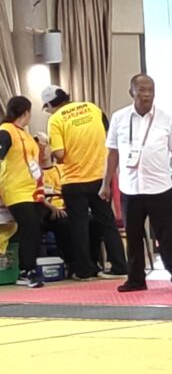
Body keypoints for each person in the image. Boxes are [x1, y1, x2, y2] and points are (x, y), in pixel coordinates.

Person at [103, 75, 172, 293]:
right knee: (133, 237)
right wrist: (106, 183)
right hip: (130, 187)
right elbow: (113, 153)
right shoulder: (119, 118)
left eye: (150, 90)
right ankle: (135, 280)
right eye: (141, 90)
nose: (146, 94)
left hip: (159, 187)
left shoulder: (166, 119)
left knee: (169, 236)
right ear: (131, 92)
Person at [43, 85, 127, 278]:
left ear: (50, 104)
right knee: (107, 223)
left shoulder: (55, 119)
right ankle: (120, 266)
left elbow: (60, 154)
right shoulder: (93, 108)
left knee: (78, 226)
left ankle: (84, 270)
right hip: (100, 177)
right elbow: (109, 136)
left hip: (74, 181)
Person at [1, 98, 67, 287]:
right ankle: (25, 271)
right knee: (29, 227)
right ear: (26, 112)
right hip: (15, 189)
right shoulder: (6, 130)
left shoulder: (26, 135)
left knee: (34, 229)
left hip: (33, 190)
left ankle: (30, 267)